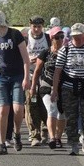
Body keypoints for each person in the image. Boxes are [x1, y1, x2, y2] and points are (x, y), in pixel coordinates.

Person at [0, 9, 31, 156]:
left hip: (17, 76)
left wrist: (26, 78)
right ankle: (2, 144)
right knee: (3, 110)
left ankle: (17, 133)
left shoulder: (15, 35)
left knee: (17, 109)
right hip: (2, 77)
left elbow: (26, 59)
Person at [51, 22, 84, 155]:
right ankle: (73, 144)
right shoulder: (65, 49)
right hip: (69, 87)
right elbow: (58, 71)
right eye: (75, 36)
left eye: (80, 36)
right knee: (71, 116)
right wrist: (55, 90)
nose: (78, 39)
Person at [30, 26, 66, 149]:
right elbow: (37, 71)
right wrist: (33, 87)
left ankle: (58, 138)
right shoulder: (45, 53)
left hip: (63, 86)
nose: (60, 39)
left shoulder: (67, 51)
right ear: (51, 38)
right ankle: (51, 137)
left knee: (62, 114)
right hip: (47, 86)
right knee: (52, 110)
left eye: (62, 37)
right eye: (57, 37)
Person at [25, 15, 51, 146]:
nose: (36, 29)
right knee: (31, 104)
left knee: (45, 104)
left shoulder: (47, 38)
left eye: (39, 27)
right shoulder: (25, 38)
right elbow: (20, 56)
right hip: (30, 75)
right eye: (34, 26)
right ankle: (35, 134)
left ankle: (46, 129)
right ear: (30, 26)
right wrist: (27, 59)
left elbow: (53, 53)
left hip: (45, 76)